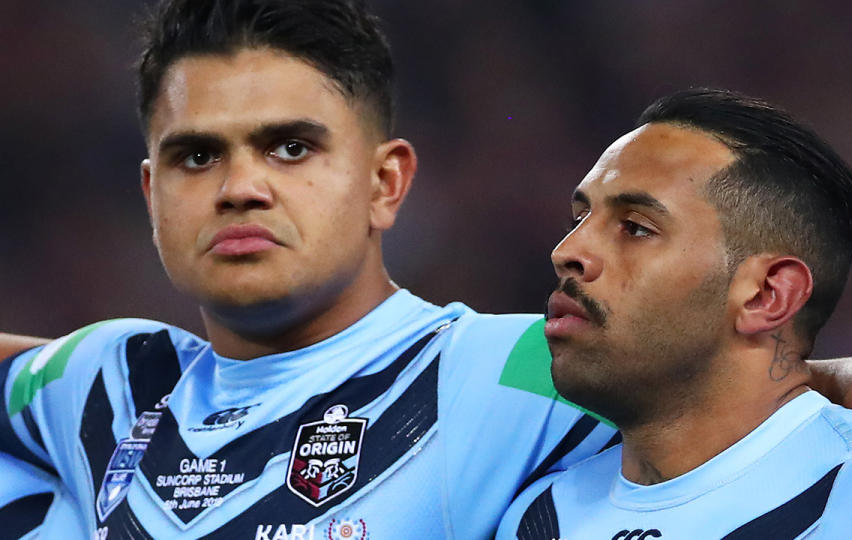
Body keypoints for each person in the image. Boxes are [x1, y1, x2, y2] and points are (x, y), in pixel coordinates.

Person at [0, 1, 617, 538]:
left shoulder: (510, 371)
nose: (240, 187)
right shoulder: (106, 383)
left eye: (291, 148)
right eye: (197, 155)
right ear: (150, 194)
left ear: (386, 182)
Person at [497, 89, 852, 539]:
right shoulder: (534, 515)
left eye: (636, 228)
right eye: (579, 220)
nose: (567, 252)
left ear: (766, 294)